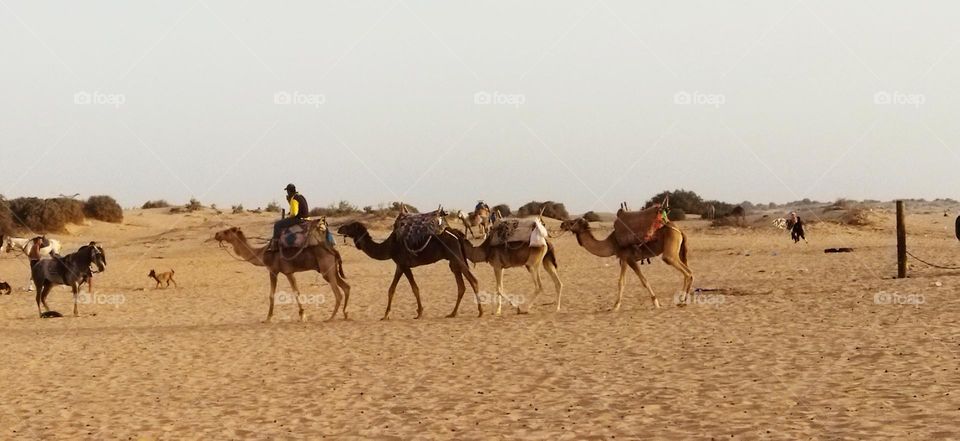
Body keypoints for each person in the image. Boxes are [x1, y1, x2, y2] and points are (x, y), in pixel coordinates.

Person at [270, 184, 309, 251]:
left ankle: (276, 244)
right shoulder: (300, 196)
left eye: (287, 191)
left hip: (299, 219)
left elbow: (294, 213)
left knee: (277, 224)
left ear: (289, 191)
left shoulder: (294, 198)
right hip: (306, 218)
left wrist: (289, 217)